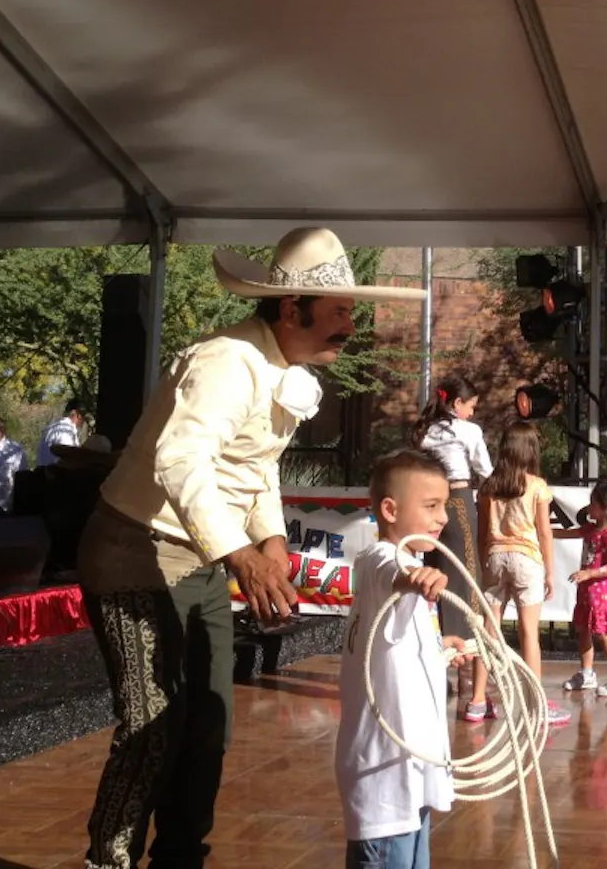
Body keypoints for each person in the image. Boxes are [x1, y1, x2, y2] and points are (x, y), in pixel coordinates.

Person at [75, 228, 425, 869]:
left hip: (202, 555)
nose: (350, 324)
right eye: (341, 311)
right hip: (134, 549)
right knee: (154, 727)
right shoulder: (226, 361)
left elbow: (256, 464)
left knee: (207, 724)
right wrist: (242, 554)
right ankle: (110, 860)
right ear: (291, 310)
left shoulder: (278, 367)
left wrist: (269, 539)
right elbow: (180, 458)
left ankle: (180, 859)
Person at [337, 450, 472, 869]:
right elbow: (390, 574)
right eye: (430, 506)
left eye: (444, 507)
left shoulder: (406, 569)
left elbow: (396, 649)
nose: (443, 518)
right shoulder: (385, 562)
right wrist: (413, 577)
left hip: (410, 778)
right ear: (390, 510)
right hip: (386, 784)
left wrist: (439, 647)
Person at [466, 421, 571, 726]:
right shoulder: (537, 486)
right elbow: (544, 533)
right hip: (527, 559)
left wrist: (485, 563)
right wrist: (550, 572)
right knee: (528, 633)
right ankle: (533, 703)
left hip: (495, 557)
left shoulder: (488, 487)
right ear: (529, 451)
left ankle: (477, 701)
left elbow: (483, 532)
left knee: (488, 631)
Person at [412, 377, 491, 643]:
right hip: (458, 497)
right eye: (471, 406)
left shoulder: (426, 430)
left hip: (427, 501)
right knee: (466, 569)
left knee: (433, 565)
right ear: (457, 403)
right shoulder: (468, 431)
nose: (472, 413)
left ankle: (433, 638)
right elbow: (485, 470)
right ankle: (466, 644)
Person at [555, 481, 607, 697]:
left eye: (592, 504)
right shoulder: (592, 529)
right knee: (584, 629)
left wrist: (589, 573)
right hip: (586, 590)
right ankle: (587, 673)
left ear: (605, 508)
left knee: (603, 633)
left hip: (600, 590)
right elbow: (569, 533)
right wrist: (544, 531)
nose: (589, 508)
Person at [37, 399, 87, 467]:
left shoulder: (52, 428)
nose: (83, 421)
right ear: (78, 415)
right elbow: (66, 460)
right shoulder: (66, 431)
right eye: (83, 416)